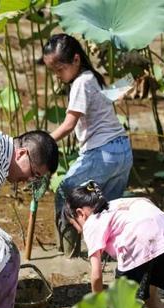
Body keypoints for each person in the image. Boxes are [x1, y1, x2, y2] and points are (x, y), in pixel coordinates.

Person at [43, 34, 132, 257]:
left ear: (75, 60)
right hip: (123, 151)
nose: (58, 75)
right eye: (53, 71)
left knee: (65, 191)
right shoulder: (93, 77)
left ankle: (68, 254)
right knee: (105, 209)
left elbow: (69, 124)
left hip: (102, 154)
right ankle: (110, 256)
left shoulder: (80, 83)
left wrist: (42, 141)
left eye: (60, 69)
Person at [64, 181, 164, 308]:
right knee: (151, 297)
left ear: (80, 213)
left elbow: (96, 274)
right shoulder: (114, 205)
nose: (78, 231)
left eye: (74, 224)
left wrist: (97, 304)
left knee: (120, 306)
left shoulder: (92, 222)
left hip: (140, 241)